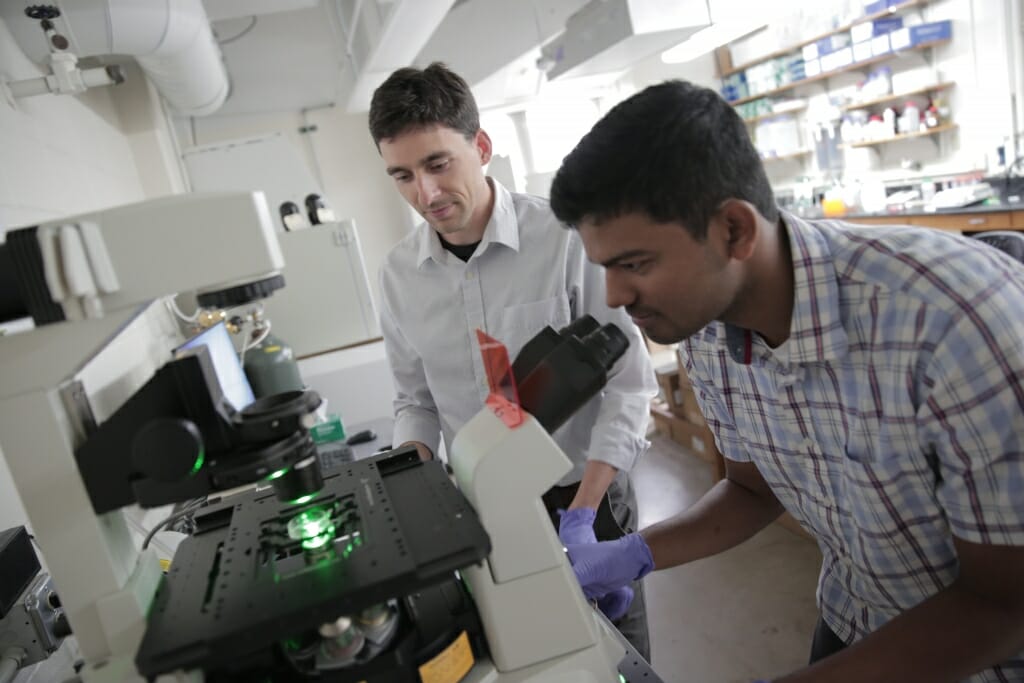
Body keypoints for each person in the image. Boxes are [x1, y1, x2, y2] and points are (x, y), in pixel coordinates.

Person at [547, 79, 1024, 682]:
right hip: (853, 617)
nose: (615, 295)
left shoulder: (950, 321)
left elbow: (1005, 603)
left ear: (735, 231)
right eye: (605, 268)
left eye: (635, 264)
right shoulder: (708, 333)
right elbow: (752, 490)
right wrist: (636, 556)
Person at [367, 62, 658, 658]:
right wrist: (408, 487)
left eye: (437, 164)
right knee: (536, 656)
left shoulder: (564, 237)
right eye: (401, 175)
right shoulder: (398, 277)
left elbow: (628, 383)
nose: (424, 193)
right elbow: (414, 402)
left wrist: (583, 513)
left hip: (587, 494)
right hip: (488, 506)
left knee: (618, 657)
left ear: (481, 146)